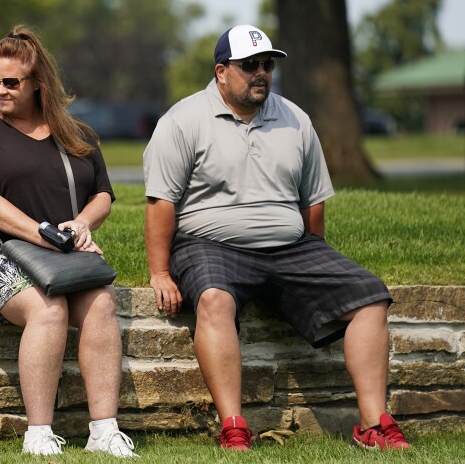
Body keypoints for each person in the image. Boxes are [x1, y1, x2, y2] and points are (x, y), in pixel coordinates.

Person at [143, 25, 411, 451]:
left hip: (292, 247)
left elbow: (313, 201)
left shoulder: (295, 119)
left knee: (370, 296)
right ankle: (233, 426)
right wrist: (160, 271)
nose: (261, 73)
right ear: (220, 71)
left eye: (267, 64)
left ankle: (373, 424)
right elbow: (161, 204)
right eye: (249, 65)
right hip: (209, 244)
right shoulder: (181, 121)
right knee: (214, 299)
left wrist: (311, 259)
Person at [0, 26, 137, 458]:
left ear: (38, 84)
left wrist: (82, 224)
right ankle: (38, 433)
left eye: (10, 82)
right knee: (47, 308)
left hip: (58, 252)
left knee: (102, 303)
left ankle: (104, 430)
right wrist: (44, 235)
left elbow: (103, 195)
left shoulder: (78, 134)